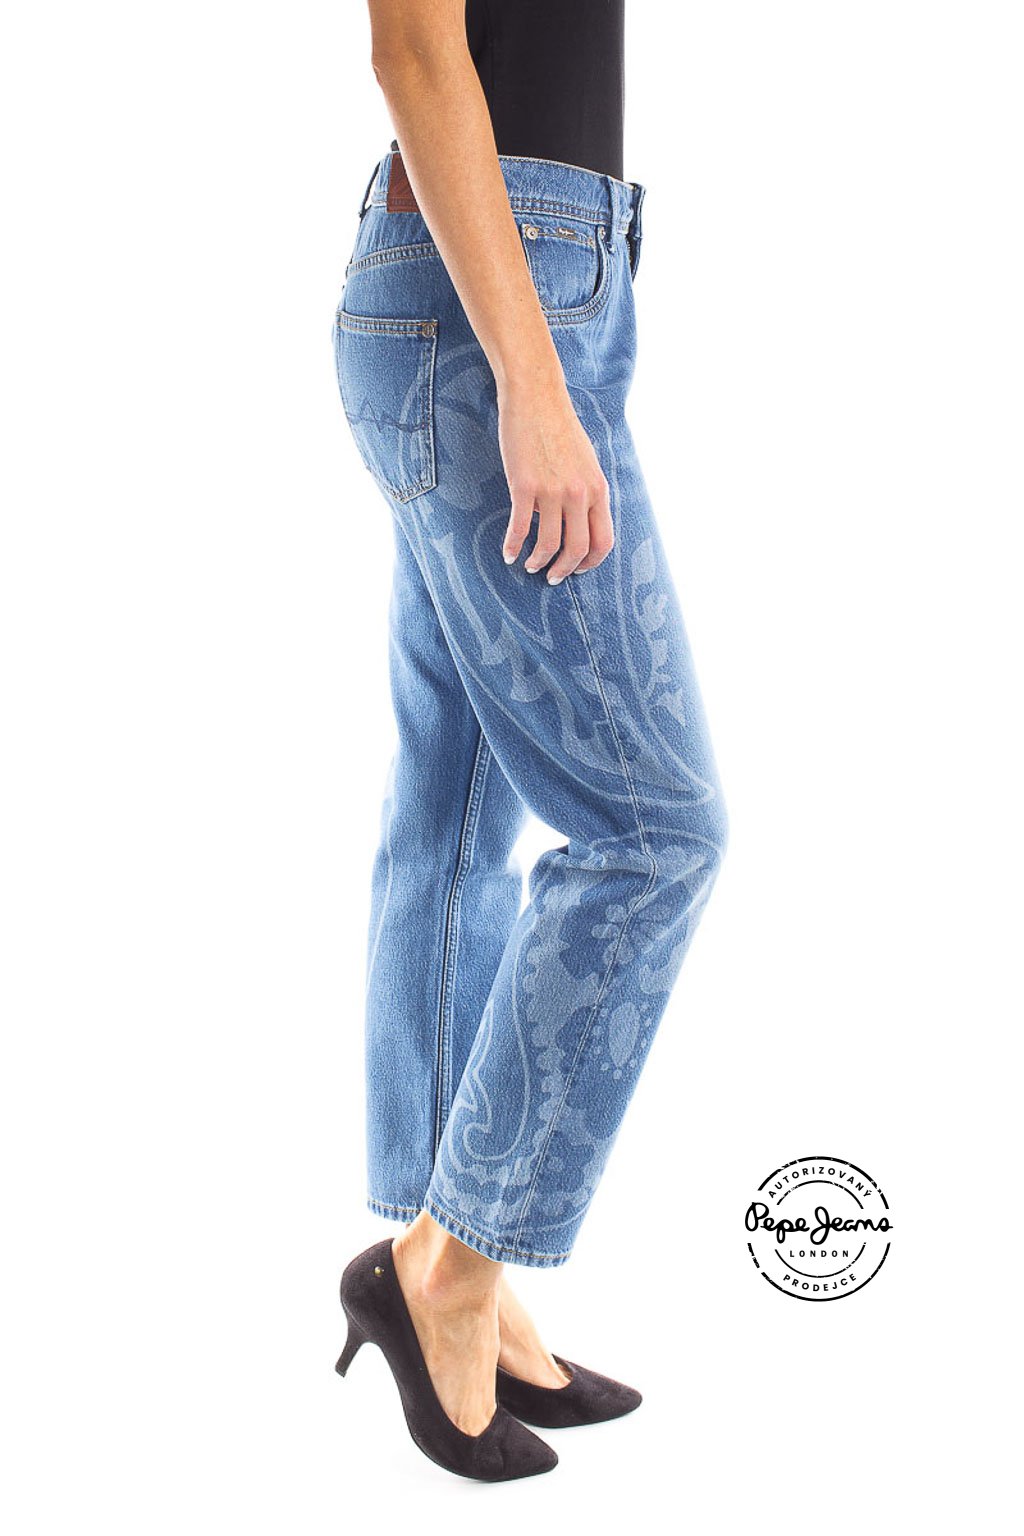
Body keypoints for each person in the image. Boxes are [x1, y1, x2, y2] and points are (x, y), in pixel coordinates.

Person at [331, 0, 729, 1482]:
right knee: (656, 832)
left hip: (509, 278)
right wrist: (533, 381)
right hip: (493, 303)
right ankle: (456, 1260)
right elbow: (414, 49)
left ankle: (443, 1266)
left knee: (457, 799)